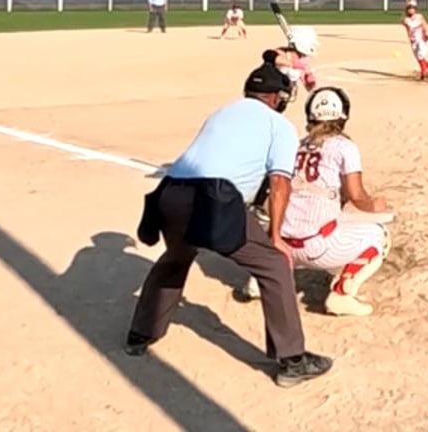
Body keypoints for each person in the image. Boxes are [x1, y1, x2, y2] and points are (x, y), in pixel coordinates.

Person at [128, 59, 334, 389]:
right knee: (274, 264)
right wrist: (276, 236)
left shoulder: (221, 113)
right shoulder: (279, 125)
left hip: (170, 193)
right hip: (214, 198)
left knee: (177, 257)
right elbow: (280, 183)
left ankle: (140, 334)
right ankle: (292, 361)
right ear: (276, 97)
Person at [281, 86, 392, 317]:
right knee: (378, 235)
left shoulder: (297, 145)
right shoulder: (344, 147)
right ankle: (342, 295)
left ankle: (262, 279)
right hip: (316, 246)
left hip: (283, 244)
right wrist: (375, 206)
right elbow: (356, 195)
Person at [401, 0, 428, 79]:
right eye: (409, 8)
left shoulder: (419, 16)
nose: (410, 10)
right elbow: (408, 29)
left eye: (412, 8)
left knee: (420, 56)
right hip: (414, 42)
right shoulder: (406, 20)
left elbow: (425, 25)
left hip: (422, 40)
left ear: (415, 9)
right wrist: (410, 37)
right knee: (420, 59)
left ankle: (423, 74)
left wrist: (426, 34)